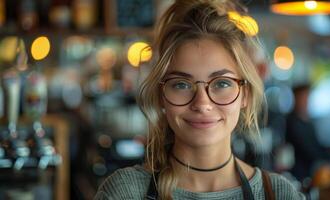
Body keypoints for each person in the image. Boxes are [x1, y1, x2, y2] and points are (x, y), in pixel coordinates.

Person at [95, 0, 305, 199]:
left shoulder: (278, 194)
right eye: (181, 84)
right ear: (161, 96)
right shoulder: (125, 193)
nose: (202, 103)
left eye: (222, 83)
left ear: (245, 95)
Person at [286, 84, 330, 182]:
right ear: (296, 98)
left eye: (307, 97)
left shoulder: (307, 121)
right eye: (303, 97)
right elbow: (309, 151)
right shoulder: (292, 122)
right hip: (297, 176)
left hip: (309, 172)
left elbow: (317, 145)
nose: (306, 101)